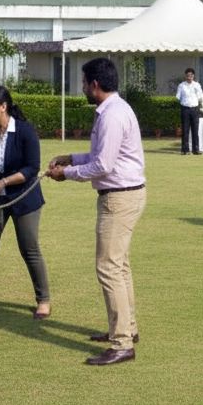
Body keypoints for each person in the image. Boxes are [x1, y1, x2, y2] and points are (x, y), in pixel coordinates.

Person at [47, 57, 146, 366]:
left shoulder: (112, 114)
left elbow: (103, 164)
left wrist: (66, 174)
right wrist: (72, 158)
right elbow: (101, 154)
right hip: (124, 194)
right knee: (119, 266)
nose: (82, 88)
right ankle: (126, 329)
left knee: (108, 267)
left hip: (119, 197)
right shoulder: (115, 109)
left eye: (83, 83)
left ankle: (122, 342)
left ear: (94, 84)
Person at [0, 85, 51, 320]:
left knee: (29, 249)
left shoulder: (25, 131)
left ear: (3, 106)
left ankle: (43, 300)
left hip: (24, 197)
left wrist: (3, 182)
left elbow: (32, 168)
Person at [176, 67, 203, 155]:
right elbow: (178, 97)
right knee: (185, 130)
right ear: (185, 76)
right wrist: (181, 99)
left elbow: (201, 97)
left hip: (195, 109)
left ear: (193, 76)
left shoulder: (197, 85)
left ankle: (196, 149)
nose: (189, 77)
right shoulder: (181, 85)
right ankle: (185, 150)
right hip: (185, 109)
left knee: (195, 130)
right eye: (188, 75)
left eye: (191, 75)